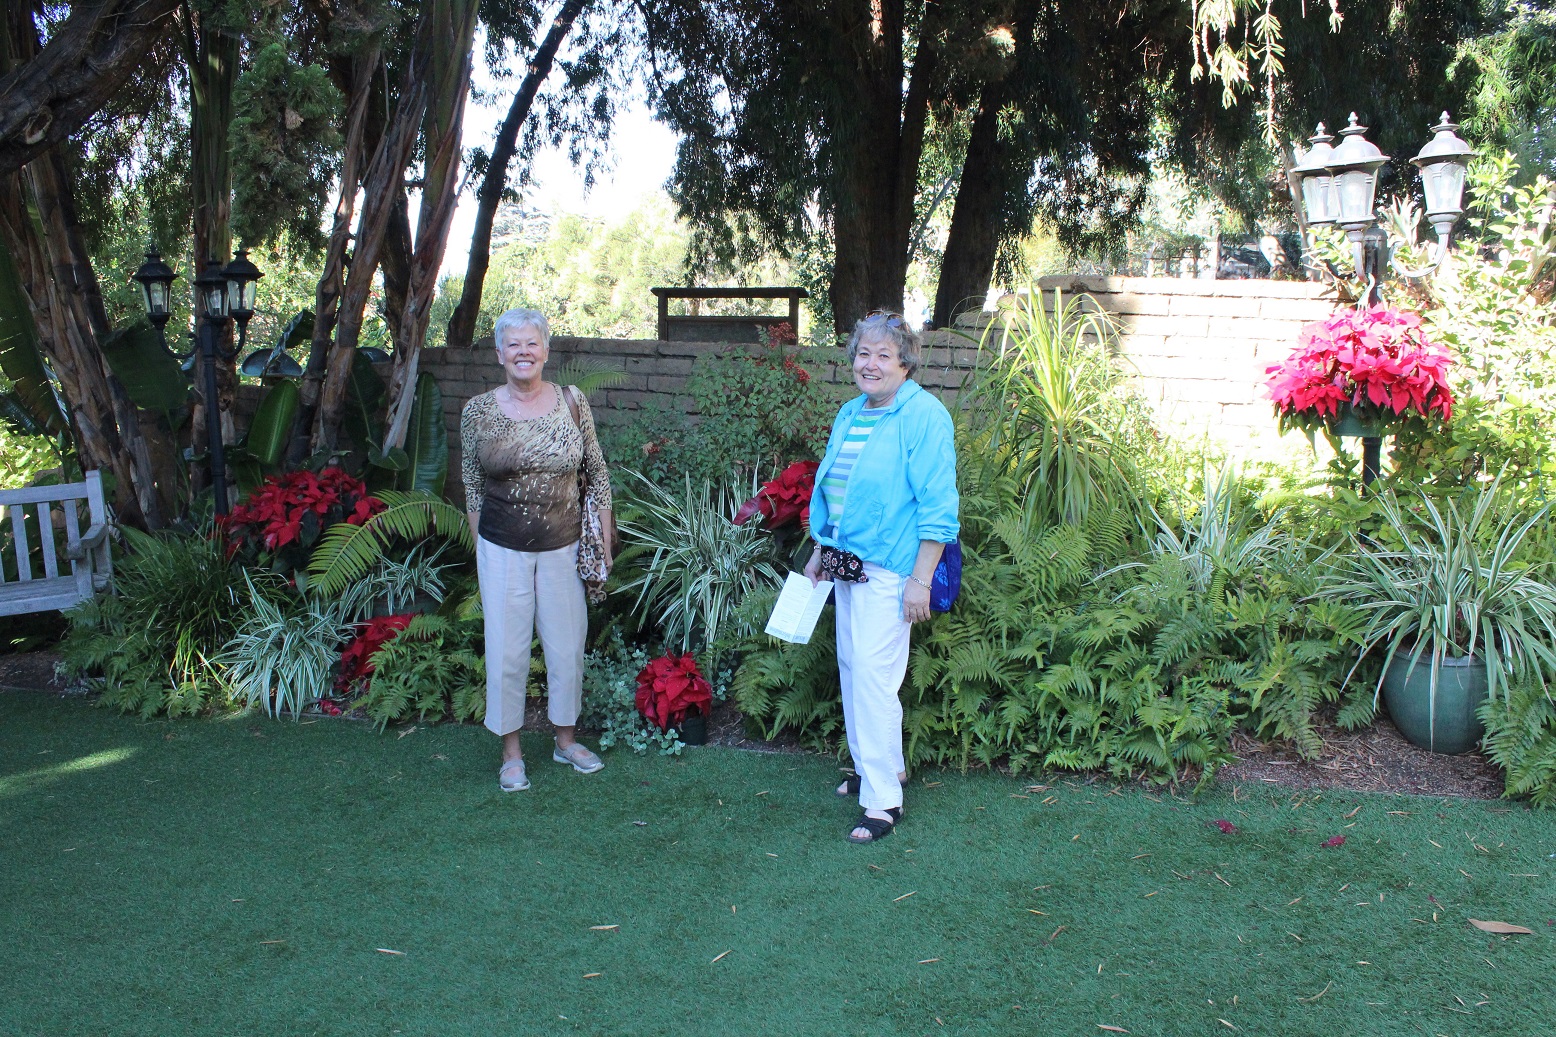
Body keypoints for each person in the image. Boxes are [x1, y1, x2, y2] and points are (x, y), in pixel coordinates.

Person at [804, 311, 959, 842]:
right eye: (863, 354)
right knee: (856, 671)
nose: (870, 364)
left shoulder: (924, 416)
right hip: (847, 563)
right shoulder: (851, 412)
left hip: (892, 569)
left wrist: (921, 579)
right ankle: (882, 769)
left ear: (905, 363)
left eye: (883, 355)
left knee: (873, 678)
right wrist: (821, 550)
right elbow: (836, 491)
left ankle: (883, 802)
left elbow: (938, 506)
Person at [461, 308, 615, 791]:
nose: (523, 352)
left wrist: (605, 538)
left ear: (546, 350)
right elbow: (471, 484)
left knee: (566, 648)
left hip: (564, 547)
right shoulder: (477, 411)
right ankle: (511, 753)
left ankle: (565, 741)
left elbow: (597, 470)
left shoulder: (572, 402)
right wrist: (480, 549)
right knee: (506, 652)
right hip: (501, 548)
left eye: (532, 343)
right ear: (499, 354)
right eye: (513, 344)